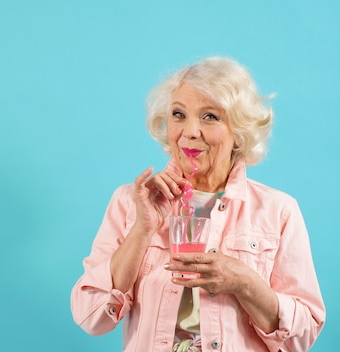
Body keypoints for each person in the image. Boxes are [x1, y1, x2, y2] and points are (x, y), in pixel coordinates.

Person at [70, 57, 325, 352]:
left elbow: (302, 336)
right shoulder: (130, 201)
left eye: (210, 117)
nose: (190, 131)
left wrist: (244, 283)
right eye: (179, 114)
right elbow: (90, 317)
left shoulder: (279, 211)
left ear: (239, 132)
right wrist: (142, 230)